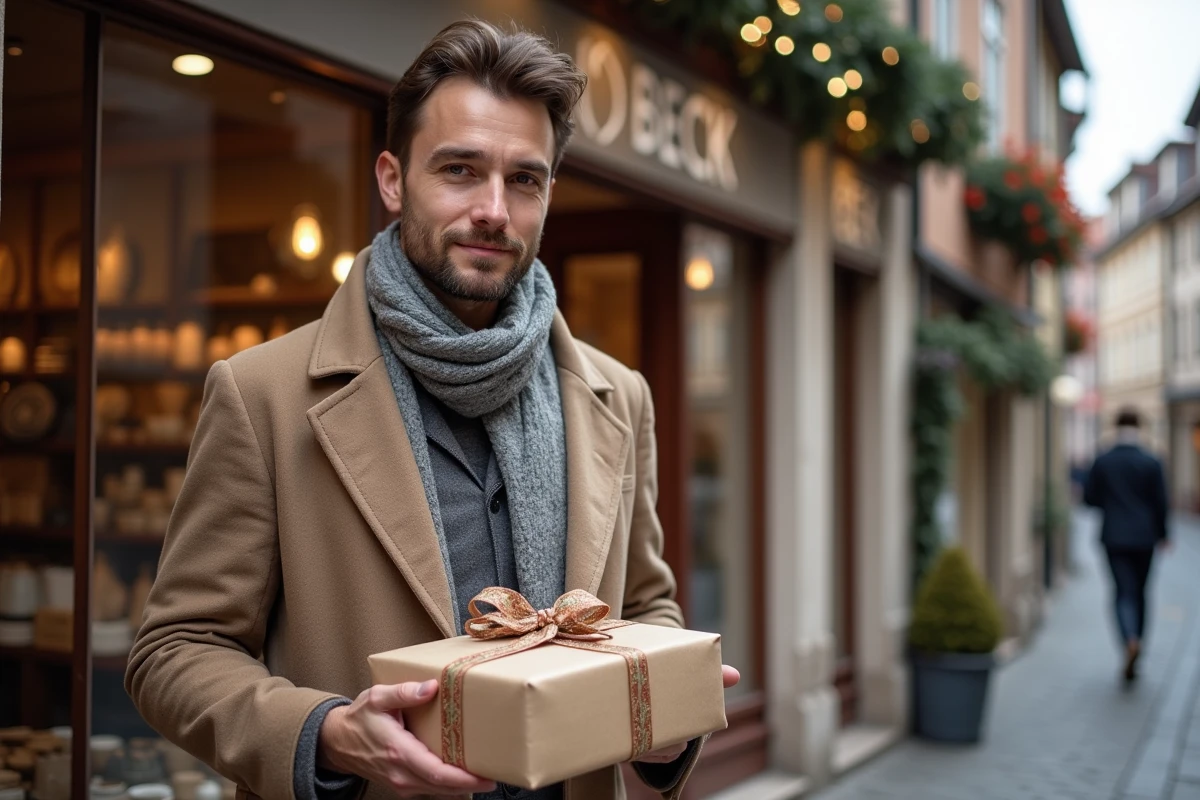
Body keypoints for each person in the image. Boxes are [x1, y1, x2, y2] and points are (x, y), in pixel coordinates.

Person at [126, 19, 738, 800]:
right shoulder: (263, 393)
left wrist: (662, 717)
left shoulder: (619, 394)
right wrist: (325, 735)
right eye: (459, 169)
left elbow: (643, 606)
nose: (494, 209)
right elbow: (176, 650)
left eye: (525, 179)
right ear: (392, 179)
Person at [1084, 408, 1171, 682]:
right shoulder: (1151, 460)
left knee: (1122, 592)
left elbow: (1089, 498)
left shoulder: (1103, 459)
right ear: (1139, 427)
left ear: (1115, 425)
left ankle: (1128, 640)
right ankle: (1139, 644)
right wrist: (1163, 534)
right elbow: (1161, 502)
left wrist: (1112, 506)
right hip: (1145, 537)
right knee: (1142, 592)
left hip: (1114, 536)